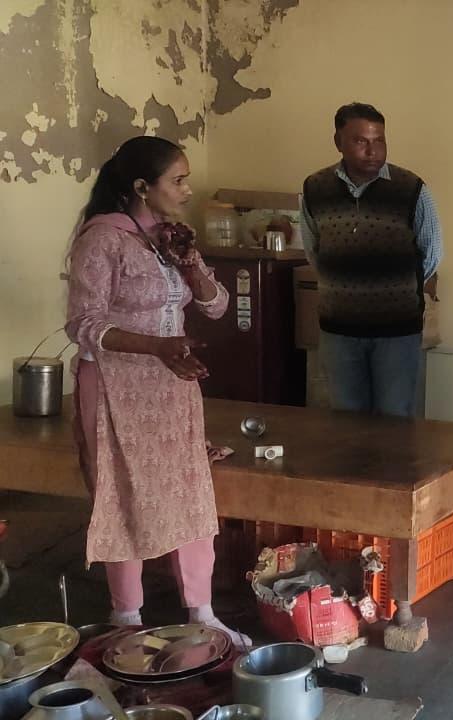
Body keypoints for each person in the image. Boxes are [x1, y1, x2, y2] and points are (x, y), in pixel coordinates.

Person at [66, 136, 250, 647]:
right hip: (116, 388)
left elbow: (216, 305)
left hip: (172, 384)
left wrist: (189, 263)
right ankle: (126, 619)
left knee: (189, 491)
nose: (188, 190)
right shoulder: (102, 239)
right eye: (179, 180)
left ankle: (203, 613)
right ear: (142, 187)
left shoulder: (168, 238)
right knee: (121, 495)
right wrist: (156, 346)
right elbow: (83, 324)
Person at [301, 102, 443, 418]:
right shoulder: (315, 188)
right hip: (339, 329)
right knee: (346, 420)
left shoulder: (411, 188)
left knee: (394, 418)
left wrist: (393, 287)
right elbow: (314, 250)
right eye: (361, 141)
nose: (372, 151)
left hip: (396, 329)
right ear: (338, 142)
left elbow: (432, 253)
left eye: (379, 140)